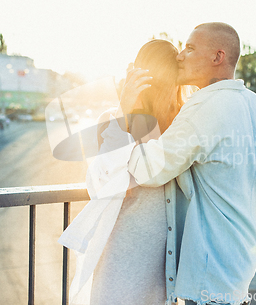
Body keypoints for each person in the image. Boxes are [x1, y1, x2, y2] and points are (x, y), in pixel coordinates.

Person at [122, 22, 256, 305]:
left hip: (211, 272)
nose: (181, 55)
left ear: (218, 57)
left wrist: (131, 109)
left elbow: (148, 169)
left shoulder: (204, 107)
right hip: (242, 265)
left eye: (191, 48)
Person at [58, 39, 192, 305]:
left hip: (167, 261)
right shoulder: (116, 119)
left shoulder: (185, 122)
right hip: (122, 258)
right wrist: (125, 109)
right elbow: (100, 182)